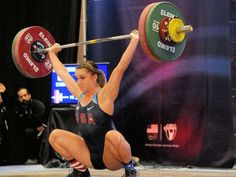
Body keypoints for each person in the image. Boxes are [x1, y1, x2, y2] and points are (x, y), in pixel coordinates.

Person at [47, 30, 139, 177]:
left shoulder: (105, 96)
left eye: (82, 78)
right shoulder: (80, 95)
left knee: (113, 136)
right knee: (55, 135)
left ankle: (130, 170)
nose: (79, 82)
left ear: (95, 77)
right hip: (88, 155)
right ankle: (81, 171)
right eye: (77, 78)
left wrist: (134, 41)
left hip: (110, 158)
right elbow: (63, 73)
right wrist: (52, 53)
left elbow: (120, 69)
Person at [10, 87, 47, 164]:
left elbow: (40, 120)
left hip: (42, 129)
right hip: (28, 129)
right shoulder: (17, 108)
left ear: (29, 96)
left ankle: (39, 158)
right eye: (21, 97)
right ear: (18, 99)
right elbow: (17, 123)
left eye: (25, 95)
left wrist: (41, 126)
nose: (23, 98)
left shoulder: (38, 105)